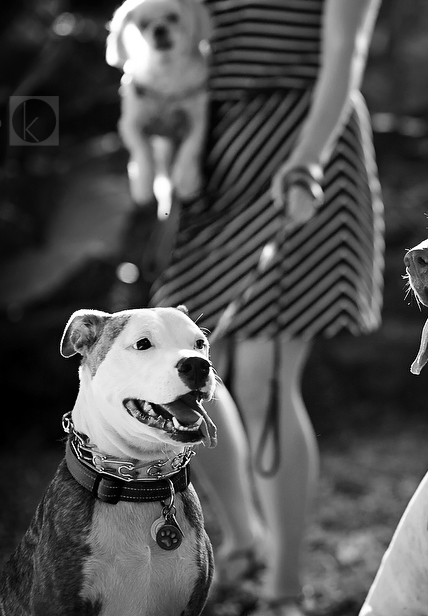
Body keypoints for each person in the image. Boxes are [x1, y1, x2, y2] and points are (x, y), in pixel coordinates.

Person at [149, 0, 384, 614]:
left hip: (304, 151)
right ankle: (243, 537)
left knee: (261, 380)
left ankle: (283, 586)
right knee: (176, 365)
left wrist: (307, 161)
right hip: (216, 156)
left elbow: (345, 56)